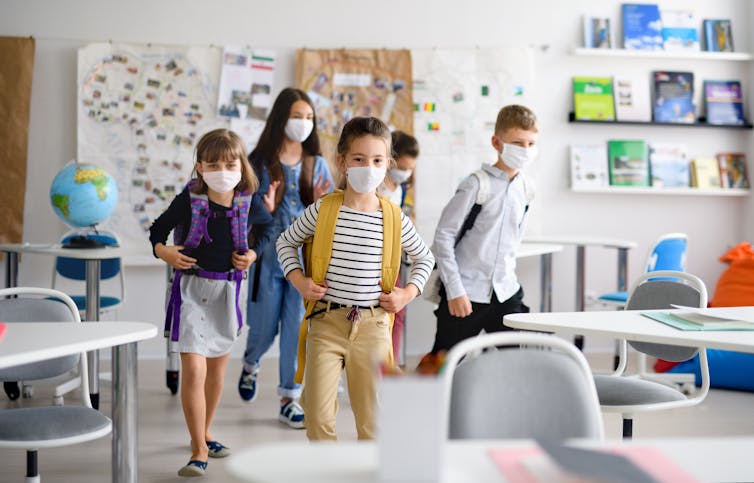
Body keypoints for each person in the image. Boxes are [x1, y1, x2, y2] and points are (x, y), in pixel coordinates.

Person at [276, 116, 435, 440]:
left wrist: (407, 294)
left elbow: (425, 258)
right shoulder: (323, 210)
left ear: (388, 164)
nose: (368, 167)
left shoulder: (394, 217)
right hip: (326, 322)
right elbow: (286, 242)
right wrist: (299, 280)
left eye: (377, 160)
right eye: (359, 159)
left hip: (374, 328)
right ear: (343, 162)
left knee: (373, 421)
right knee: (318, 417)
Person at [150, 128, 273, 477]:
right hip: (191, 291)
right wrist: (164, 252)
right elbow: (157, 231)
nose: (223, 170)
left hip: (227, 293)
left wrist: (251, 254)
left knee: (217, 372)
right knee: (194, 368)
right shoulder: (188, 200)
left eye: (230, 163)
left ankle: (205, 431)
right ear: (200, 167)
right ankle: (198, 448)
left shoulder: (249, 201)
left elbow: (267, 230)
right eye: (214, 163)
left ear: (241, 166)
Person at [238, 87, 334, 429]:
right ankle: (251, 363)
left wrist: (324, 204)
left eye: (309, 117)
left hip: (304, 265)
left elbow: (329, 215)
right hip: (266, 259)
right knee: (263, 329)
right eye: (297, 116)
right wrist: (259, 210)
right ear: (282, 117)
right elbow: (241, 212)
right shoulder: (258, 162)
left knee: (297, 331)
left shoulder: (317, 164)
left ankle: (288, 399)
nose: (303, 123)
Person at [430, 104, 536, 354]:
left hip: (506, 292)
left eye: (531, 144)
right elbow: (443, 238)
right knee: (441, 364)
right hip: (466, 293)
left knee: (513, 364)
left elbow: (514, 242)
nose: (526, 151)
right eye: (518, 143)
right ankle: (425, 394)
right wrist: (455, 291)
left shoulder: (527, 189)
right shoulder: (476, 185)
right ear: (497, 142)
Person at [377, 131, 419, 361]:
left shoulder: (400, 188)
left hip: (392, 257)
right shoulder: (376, 185)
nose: (405, 173)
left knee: (397, 313)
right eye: (402, 166)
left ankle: (389, 362)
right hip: (374, 258)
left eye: (410, 168)